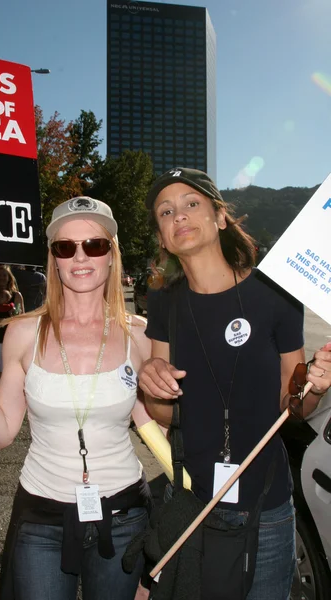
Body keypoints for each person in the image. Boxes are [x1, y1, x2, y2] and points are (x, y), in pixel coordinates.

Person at [0, 196, 152, 600]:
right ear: (54, 259)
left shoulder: (140, 335)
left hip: (124, 515)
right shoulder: (23, 332)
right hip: (42, 515)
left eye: (95, 245)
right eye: (65, 246)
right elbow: (1, 433)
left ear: (111, 256)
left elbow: (155, 422)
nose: (80, 256)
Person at [137, 167, 331, 600]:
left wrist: (314, 387)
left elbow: (294, 405)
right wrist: (153, 391)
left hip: (268, 506)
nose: (179, 216)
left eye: (192, 204)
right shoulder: (164, 303)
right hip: (194, 503)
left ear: (220, 217)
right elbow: (163, 415)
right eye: (166, 212)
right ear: (163, 236)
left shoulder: (276, 294)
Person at [0, 266, 24, 388]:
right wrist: (2, 321)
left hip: (11, 336)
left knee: (11, 369)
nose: (1, 278)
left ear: (9, 278)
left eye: (4, 275)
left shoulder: (16, 295)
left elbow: (21, 315)